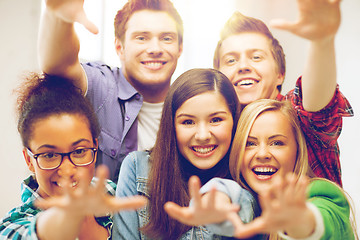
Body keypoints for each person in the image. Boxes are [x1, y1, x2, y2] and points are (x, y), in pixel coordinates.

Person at [165, 99, 357, 239]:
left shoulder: (324, 195)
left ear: (298, 150)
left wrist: (300, 222)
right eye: (250, 143)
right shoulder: (247, 203)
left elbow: (321, 220)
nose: (262, 154)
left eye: (277, 143)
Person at [37, 0, 184, 182]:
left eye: (166, 38)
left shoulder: (189, 103)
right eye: (142, 38)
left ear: (180, 48)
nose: (155, 49)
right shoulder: (102, 87)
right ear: (119, 48)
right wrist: (57, 18)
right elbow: (59, 64)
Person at [212, 0, 353, 186]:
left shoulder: (295, 115)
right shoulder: (218, 129)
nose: (243, 66)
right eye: (231, 60)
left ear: (280, 74)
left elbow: (317, 107)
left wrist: (322, 42)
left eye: (256, 57)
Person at [112, 68, 259, 239]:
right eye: (188, 122)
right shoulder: (138, 168)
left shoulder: (248, 175)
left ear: (234, 120)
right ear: (171, 125)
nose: (203, 135)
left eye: (216, 120)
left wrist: (223, 197)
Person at [0, 73, 147, 240]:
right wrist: (67, 218)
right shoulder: (12, 227)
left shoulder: (111, 192)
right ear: (29, 160)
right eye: (49, 155)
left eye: (79, 151)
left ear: (95, 146)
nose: (67, 170)